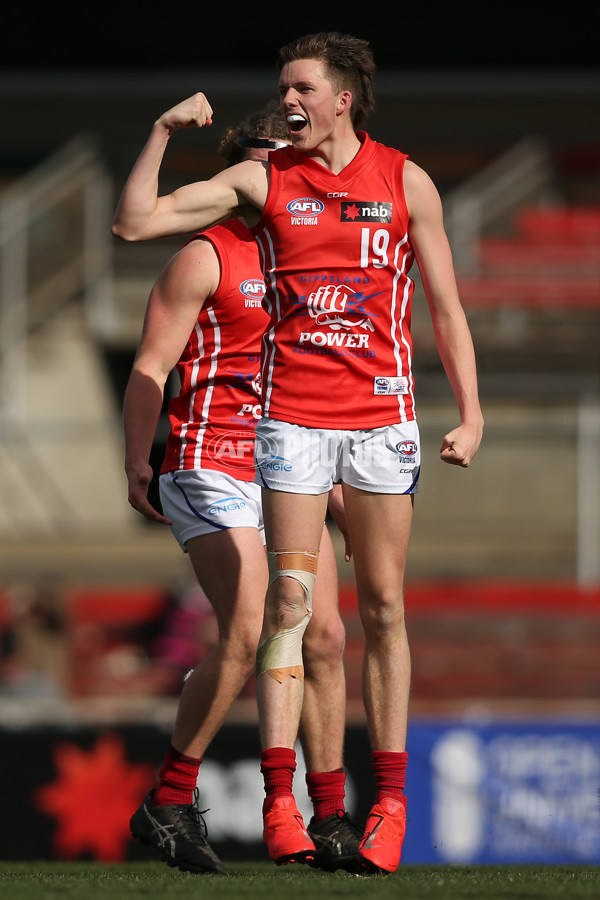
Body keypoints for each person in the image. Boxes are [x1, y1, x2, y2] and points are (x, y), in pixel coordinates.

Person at [113, 32, 485, 875]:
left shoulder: (399, 181)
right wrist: (165, 130)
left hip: (377, 424)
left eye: (302, 88)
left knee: (362, 618)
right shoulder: (243, 208)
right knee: (278, 610)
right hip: (261, 439)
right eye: (281, 87)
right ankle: (276, 803)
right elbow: (134, 228)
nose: (288, 102)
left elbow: (447, 307)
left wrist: (470, 412)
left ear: (342, 97)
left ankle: (370, 808)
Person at [122, 101, 361, 875]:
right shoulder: (207, 255)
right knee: (257, 618)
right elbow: (151, 366)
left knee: (324, 636)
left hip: (286, 469)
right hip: (206, 460)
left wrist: (340, 493)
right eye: (277, 159)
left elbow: (319, 388)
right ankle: (173, 794)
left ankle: (330, 817)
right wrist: (137, 459)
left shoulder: (316, 259)